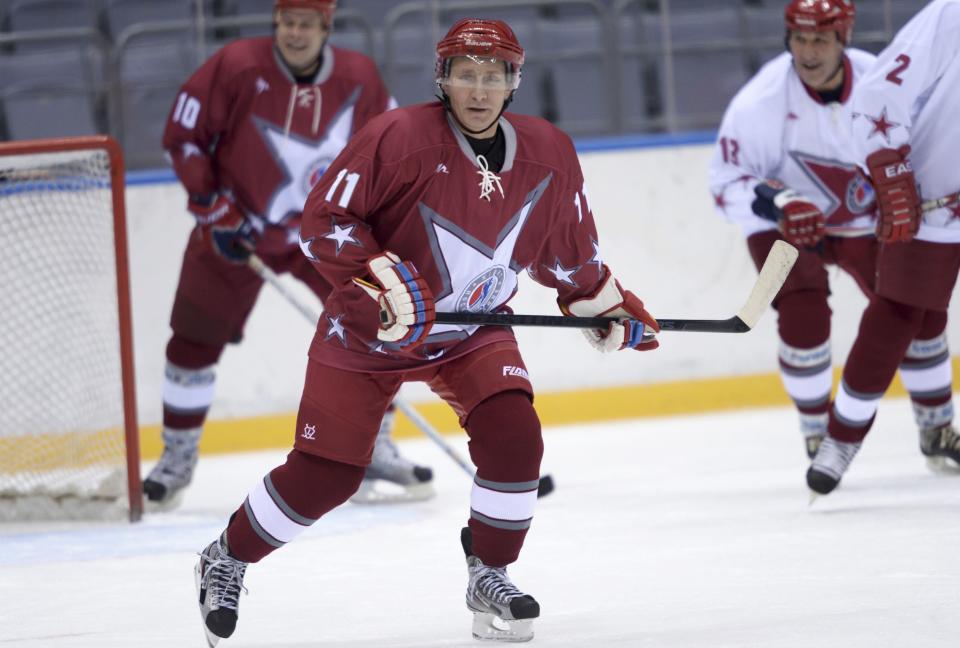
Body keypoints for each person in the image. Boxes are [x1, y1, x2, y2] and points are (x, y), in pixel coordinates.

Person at [191, 17, 660, 645]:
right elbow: (324, 220)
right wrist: (380, 278)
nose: (478, 89)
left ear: (513, 82)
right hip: (371, 334)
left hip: (473, 328)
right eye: (465, 74)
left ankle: (488, 573)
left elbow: (566, 248)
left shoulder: (550, 153)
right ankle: (226, 557)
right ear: (443, 78)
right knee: (326, 476)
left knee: (515, 438)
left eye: (493, 76)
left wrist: (601, 303)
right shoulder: (398, 138)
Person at [145, 0, 434, 510]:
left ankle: (375, 448)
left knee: (381, 327)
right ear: (275, 23)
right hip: (236, 230)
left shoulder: (360, 77)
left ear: (326, 28)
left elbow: (391, 151)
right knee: (193, 341)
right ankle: (176, 458)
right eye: (287, 22)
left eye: (306, 24)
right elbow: (183, 138)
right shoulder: (236, 66)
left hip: (327, 237)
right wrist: (212, 208)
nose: (295, 33)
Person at [708, 0, 955, 466]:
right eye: (799, 39)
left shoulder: (879, 82)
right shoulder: (760, 102)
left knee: (917, 312)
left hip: (865, 223)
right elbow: (723, 184)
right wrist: (780, 201)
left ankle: (937, 427)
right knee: (803, 315)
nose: (808, 51)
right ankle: (817, 433)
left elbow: (918, 144)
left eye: (820, 39)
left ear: (843, 38)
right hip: (786, 226)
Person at [806, 0, 960, 495]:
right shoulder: (952, 14)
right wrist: (888, 165)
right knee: (899, 312)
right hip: (940, 195)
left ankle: (933, 430)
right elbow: (878, 94)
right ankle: (842, 436)